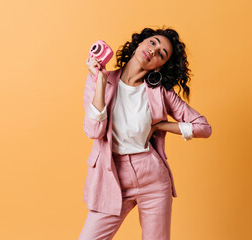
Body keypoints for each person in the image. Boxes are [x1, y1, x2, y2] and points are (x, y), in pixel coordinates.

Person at [78, 27, 212, 240]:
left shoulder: (160, 93)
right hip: (112, 176)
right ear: (139, 43)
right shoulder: (99, 81)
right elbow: (94, 130)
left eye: (162, 54)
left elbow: (203, 127)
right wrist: (101, 82)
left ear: (161, 66)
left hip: (153, 178)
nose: (154, 50)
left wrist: (161, 126)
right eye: (153, 42)